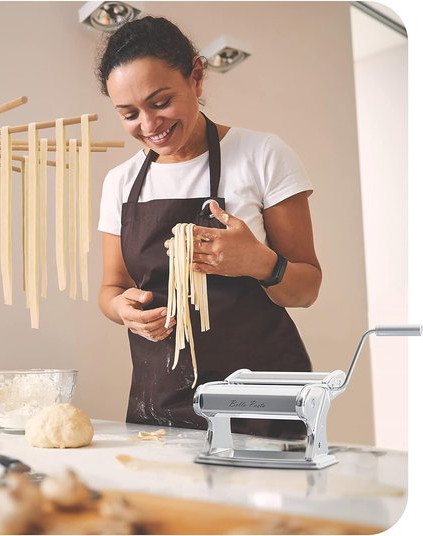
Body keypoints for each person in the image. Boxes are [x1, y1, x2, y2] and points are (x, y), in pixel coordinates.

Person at [95, 16, 321, 438]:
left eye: (161, 102)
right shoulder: (120, 183)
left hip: (261, 398)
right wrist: (123, 311)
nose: (148, 126)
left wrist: (259, 263)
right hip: (162, 401)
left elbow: (307, 288)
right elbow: (112, 289)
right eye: (129, 114)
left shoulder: (262, 155)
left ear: (196, 77)